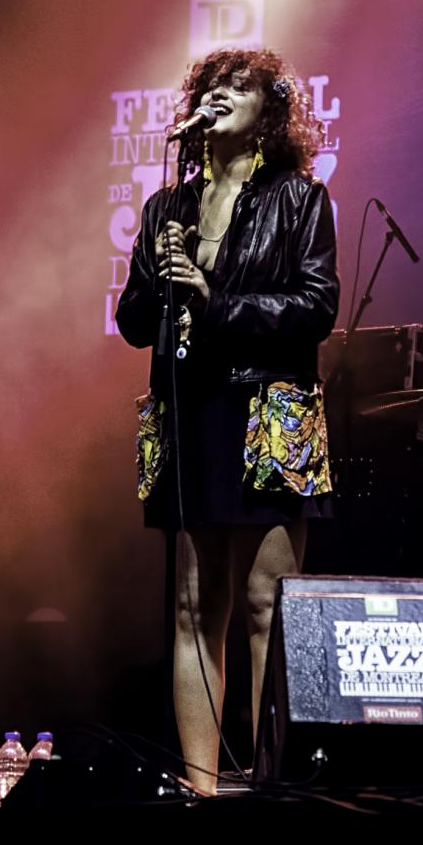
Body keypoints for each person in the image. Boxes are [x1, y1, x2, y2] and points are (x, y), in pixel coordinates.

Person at [115, 49, 338, 794]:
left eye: (237, 89)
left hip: (267, 408)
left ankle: (272, 785)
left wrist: (217, 303)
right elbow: (133, 322)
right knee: (192, 605)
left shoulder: (298, 199)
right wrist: (160, 270)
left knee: (264, 602)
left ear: (266, 114)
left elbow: (315, 307)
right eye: (210, 88)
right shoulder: (165, 208)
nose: (219, 98)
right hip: (194, 408)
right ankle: (199, 787)